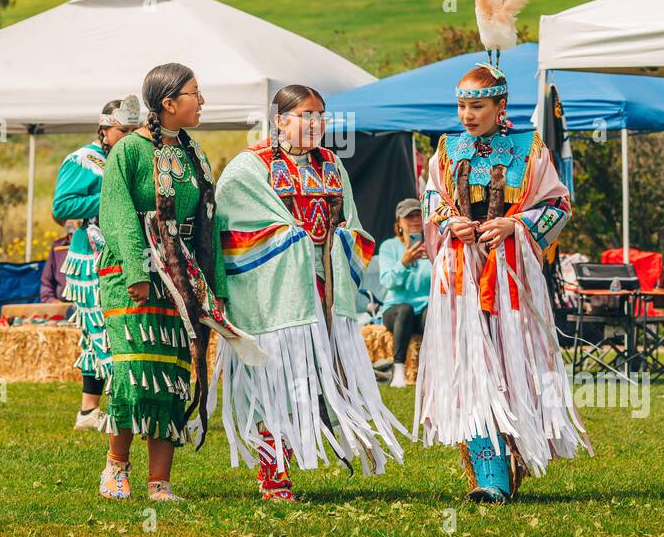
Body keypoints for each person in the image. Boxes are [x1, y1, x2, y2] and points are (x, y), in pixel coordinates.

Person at [215, 85, 407, 500]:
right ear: (280, 119)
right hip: (274, 297)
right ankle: (274, 477)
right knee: (272, 381)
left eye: (321, 114)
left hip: (323, 292)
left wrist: (339, 243)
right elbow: (233, 229)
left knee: (312, 381)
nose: (316, 123)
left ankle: (319, 448)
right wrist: (291, 241)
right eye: (305, 115)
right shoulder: (250, 167)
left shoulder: (331, 166)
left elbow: (353, 226)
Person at [417, 61, 592, 502]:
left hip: (509, 274)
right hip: (460, 275)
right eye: (461, 106)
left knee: (512, 364)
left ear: (501, 106)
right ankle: (489, 475)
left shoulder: (529, 149)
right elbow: (432, 195)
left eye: (476, 106)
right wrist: (448, 219)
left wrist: (516, 227)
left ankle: (515, 452)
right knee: (471, 366)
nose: (467, 115)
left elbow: (559, 205)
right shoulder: (447, 148)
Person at [97, 66, 226, 502]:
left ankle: (159, 484)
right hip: (132, 278)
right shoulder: (129, 151)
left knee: (172, 375)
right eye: (195, 93)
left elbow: (209, 222)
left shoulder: (194, 153)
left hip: (181, 279)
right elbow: (114, 213)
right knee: (135, 372)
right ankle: (116, 467)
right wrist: (136, 271)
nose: (202, 100)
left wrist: (215, 284)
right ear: (169, 103)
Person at [52, 96, 140, 434]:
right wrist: (112, 196)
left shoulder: (126, 157)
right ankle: (124, 409)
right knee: (105, 330)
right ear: (104, 128)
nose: (130, 136)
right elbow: (62, 207)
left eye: (135, 130)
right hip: (89, 257)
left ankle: (88, 412)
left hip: (115, 254)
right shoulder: (83, 161)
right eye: (123, 130)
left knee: (94, 338)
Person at [378, 197, 432, 389]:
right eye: (409, 217)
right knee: (405, 309)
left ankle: (432, 368)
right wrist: (404, 262)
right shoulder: (389, 247)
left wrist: (434, 260)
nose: (415, 220)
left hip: (424, 309)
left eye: (419, 215)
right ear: (399, 223)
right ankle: (399, 370)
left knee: (432, 310)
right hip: (396, 310)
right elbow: (387, 282)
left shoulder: (433, 245)